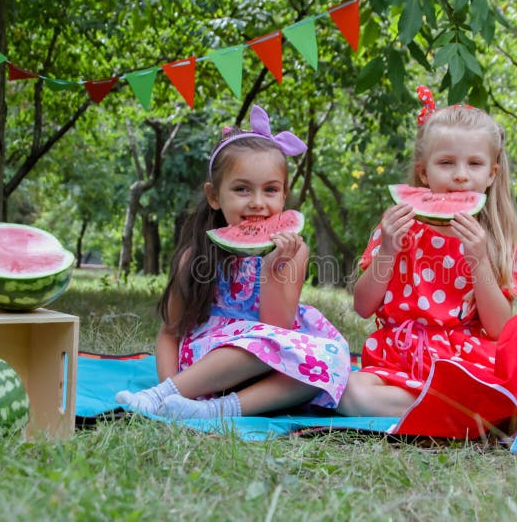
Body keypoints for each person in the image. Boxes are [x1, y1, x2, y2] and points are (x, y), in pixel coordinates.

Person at [116, 105, 350, 419]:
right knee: (266, 347)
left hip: (271, 362)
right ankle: (160, 397)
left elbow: (276, 329)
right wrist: (169, 386)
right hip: (207, 368)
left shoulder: (295, 250)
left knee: (330, 359)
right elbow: (170, 332)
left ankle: (219, 412)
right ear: (214, 196)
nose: (257, 202)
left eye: (271, 190)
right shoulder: (195, 256)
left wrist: (272, 268)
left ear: (284, 195)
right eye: (241, 189)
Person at [337, 86, 517, 417]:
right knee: (349, 393)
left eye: (474, 163)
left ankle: (449, 408)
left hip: (463, 360)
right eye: (446, 163)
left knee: (514, 380)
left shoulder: (495, 240)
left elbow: (499, 329)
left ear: (491, 175)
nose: (460, 175)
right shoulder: (399, 228)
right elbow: (363, 306)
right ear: (424, 172)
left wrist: (479, 260)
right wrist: (387, 250)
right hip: (399, 356)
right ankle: (461, 413)